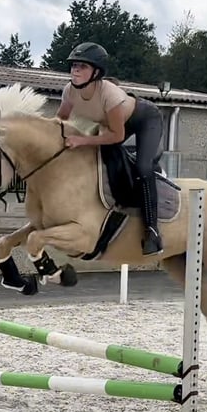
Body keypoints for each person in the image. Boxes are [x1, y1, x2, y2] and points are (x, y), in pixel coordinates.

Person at [56, 41, 164, 256]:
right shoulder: (69, 91)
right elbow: (60, 122)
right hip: (113, 126)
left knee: (143, 168)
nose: (75, 70)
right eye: (74, 65)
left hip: (144, 119)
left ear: (96, 72)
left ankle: (152, 231)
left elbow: (117, 136)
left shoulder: (109, 94)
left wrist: (81, 141)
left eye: (82, 66)